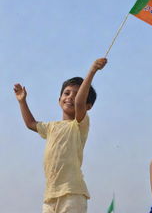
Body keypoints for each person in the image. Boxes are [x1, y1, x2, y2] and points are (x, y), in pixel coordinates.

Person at [14, 58, 107, 213]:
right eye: (67, 93)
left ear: (88, 106)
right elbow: (30, 123)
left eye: (77, 95)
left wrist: (92, 71)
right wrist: (22, 101)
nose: (71, 97)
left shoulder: (79, 124)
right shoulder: (51, 127)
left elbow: (79, 104)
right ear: (59, 100)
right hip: (50, 196)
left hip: (72, 193)